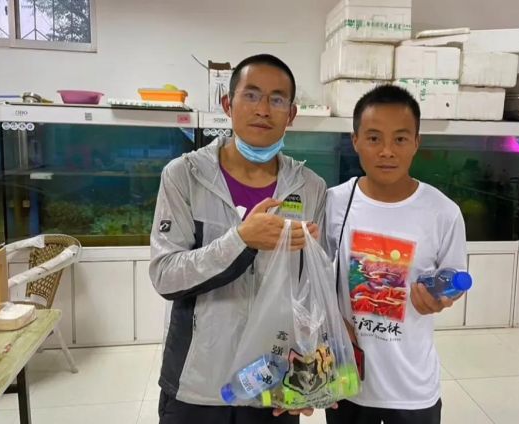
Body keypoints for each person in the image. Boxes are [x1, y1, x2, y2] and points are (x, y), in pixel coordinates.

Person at [149, 54, 327, 424]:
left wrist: (308, 371)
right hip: (197, 383)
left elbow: (312, 295)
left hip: (271, 382)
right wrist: (241, 239)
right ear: (227, 104)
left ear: (291, 114)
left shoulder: (310, 188)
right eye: (252, 95)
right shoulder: (184, 176)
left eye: (277, 99)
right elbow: (165, 276)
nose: (263, 109)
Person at [325, 84, 467, 424]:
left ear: (416, 142)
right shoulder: (333, 203)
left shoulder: (443, 212)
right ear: (355, 140)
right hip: (349, 382)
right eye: (374, 138)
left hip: (413, 388)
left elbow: (454, 280)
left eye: (400, 139)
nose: (387, 151)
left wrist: (440, 298)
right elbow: (313, 279)